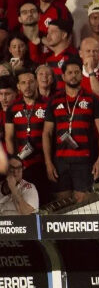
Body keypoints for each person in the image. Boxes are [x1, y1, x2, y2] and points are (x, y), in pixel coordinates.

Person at [42, 57, 99, 203]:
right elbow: (47, 133)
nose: (74, 75)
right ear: (63, 76)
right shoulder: (54, 100)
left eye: (77, 72)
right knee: (61, 202)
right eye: (70, 72)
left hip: (84, 160)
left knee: (84, 202)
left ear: (81, 74)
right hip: (59, 161)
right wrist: (48, 163)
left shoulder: (93, 99)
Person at [5, 68, 48, 196]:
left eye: (30, 82)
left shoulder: (47, 105)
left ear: (36, 82)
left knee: (45, 200)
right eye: (23, 83)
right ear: (18, 86)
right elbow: (9, 137)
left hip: (44, 163)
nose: (27, 86)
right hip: (23, 165)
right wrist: (14, 163)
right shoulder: (12, 109)